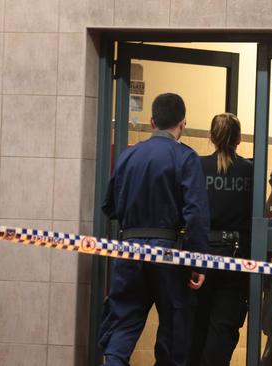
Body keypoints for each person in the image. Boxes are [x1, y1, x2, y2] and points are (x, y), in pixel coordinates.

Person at [99, 93, 210, 366]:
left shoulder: (129, 155)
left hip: (128, 251)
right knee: (174, 330)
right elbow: (196, 213)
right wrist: (198, 261)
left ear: (152, 121)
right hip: (167, 254)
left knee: (122, 323)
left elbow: (108, 205)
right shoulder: (185, 158)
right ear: (182, 124)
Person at [189, 113, 253, 366]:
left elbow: (190, 211)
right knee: (223, 329)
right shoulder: (250, 170)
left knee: (198, 325)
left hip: (202, 255)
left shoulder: (197, 166)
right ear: (238, 138)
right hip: (235, 260)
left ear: (211, 137)